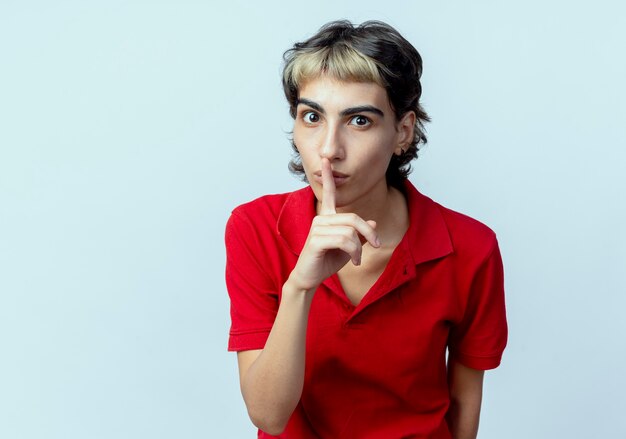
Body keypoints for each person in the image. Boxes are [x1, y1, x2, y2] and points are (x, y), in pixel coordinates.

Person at [225, 20, 507, 439]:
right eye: (312, 116)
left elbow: (464, 403)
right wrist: (300, 286)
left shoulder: (470, 247)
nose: (328, 149)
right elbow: (269, 415)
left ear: (403, 132)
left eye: (359, 121)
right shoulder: (255, 228)